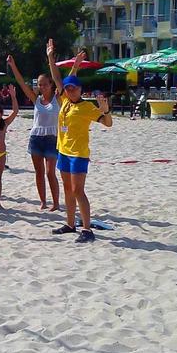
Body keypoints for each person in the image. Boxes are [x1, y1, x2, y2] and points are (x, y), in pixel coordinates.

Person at [47, 42, 113, 244]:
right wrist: (51, 57)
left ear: (80, 89)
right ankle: (70, 224)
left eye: (73, 88)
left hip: (79, 153)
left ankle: (87, 229)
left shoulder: (87, 107)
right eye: (68, 89)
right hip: (63, 151)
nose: (70, 91)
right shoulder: (65, 101)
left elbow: (108, 124)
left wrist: (106, 109)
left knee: (78, 190)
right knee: (68, 190)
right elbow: (58, 77)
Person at [7, 54, 60, 211]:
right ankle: (43, 201)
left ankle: (56, 203)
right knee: (39, 172)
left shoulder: (58, 98)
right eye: (39, 84)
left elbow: (62, 79)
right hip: (36, 138)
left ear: (51, 85)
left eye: (44, 84)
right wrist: (13, 65)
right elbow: (21, 83)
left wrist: (74, 66)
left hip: (52, 138)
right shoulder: (36, 99)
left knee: (50, 172)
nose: (41, 87)